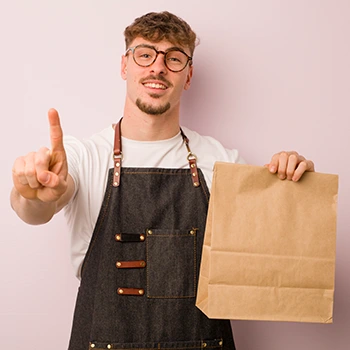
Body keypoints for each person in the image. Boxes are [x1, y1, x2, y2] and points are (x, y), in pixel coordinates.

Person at [11, 11, 315, 350]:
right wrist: (32, 194)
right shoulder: (83, 157)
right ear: (125, 66)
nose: (157, 67)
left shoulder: (221, 162)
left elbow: (277, 250)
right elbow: (36, 208)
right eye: (145, 54)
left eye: (173, 58)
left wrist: (295, 187)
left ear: (188, 75)